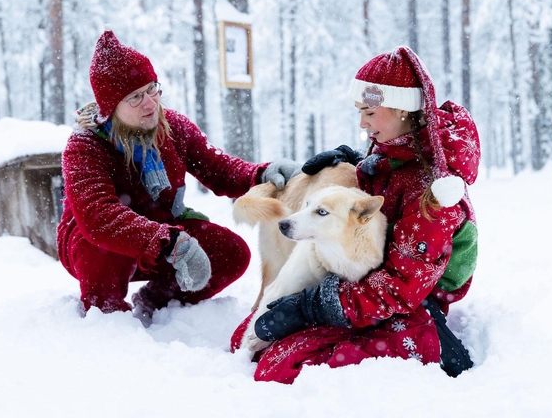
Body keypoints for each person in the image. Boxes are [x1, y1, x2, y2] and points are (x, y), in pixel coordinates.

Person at [235, 46, 480, 384]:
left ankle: (432, 342)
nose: (362, 123)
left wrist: (312, 306)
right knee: (250, 339)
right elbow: (383, 199)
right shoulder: (398, 150)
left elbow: (401, 285)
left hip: (411, 296)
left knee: (282, 362)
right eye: (359, 111)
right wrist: (351, 161)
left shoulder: (432, 192)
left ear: (402, 109)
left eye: (369, 112)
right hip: (374, 277)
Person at [57, 26, 300, 322]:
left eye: (151, 89)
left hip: (163, 231)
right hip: (96, 242)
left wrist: (261, 174)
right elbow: (98, 216)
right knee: (104, 249)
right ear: (111, 107)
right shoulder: (85, 144)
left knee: (231, 253)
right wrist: (169, 242)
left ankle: (156, 302)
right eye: (134, 97)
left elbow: (219, 168)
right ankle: (107, 321)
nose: (150, 103)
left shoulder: (173, 127)